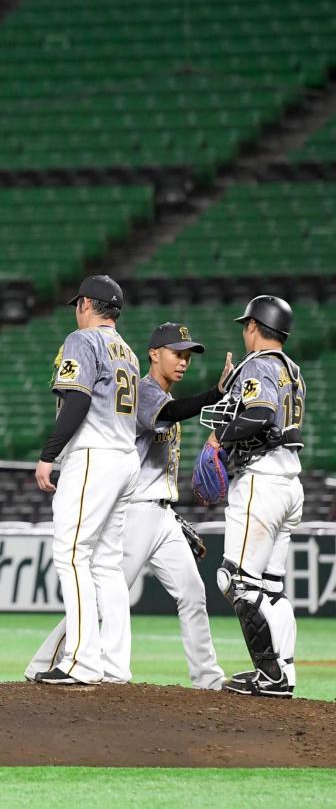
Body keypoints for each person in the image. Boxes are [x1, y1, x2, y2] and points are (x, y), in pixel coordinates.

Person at [26, 322, 230, 690]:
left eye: (187, 355)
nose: (183, 361)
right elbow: (174, 411)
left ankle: (209, 678)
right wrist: (214, 393)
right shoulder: (144, 391)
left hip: (162, 513)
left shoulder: (157, 391)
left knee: (192, 594)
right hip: (133, 510)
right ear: (154, 354)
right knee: (106, 588)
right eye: (176, 353)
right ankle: (49, 659)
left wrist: (172, 515)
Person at [32, 275, 141, 686]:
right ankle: (114, 665)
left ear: (88, 305)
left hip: (94, 454)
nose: (76, 310)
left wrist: (49, 453)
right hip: (125, 457)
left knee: (72, 553)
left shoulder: (83, 340)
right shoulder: (127, 351)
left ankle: (80, 661)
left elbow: (76, 398)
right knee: (107, 563)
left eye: (78, 303)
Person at [202, 296, 305, 698]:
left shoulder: (260, 364)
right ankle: (284, 673)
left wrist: (219, 436)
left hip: (261, 482)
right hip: (289, 484)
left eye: (245, 325)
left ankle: (270, 675)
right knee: (272, 588)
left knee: (237, 581)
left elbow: (260, 413)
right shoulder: (292, 370)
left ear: (253, 327)